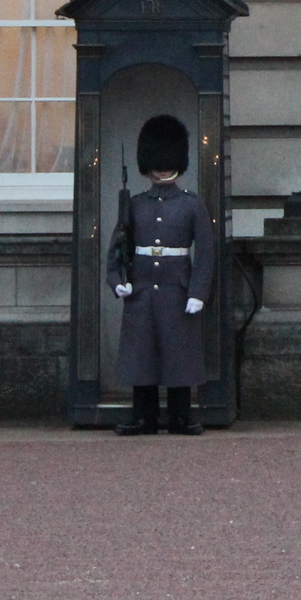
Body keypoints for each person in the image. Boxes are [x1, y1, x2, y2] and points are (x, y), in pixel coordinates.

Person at [108, 114, 216, 436]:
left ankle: (181, 416)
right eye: (157, 162)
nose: (162, 168)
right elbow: (117, 249)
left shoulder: (192, 205)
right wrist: (118, 282)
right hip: (141, 291)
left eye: (168, 162)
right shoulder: (136, 205)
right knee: (143, 355)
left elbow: (206, 253)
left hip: (176, 290)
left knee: (178, 355)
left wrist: (197, 292)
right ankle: (144, 416)